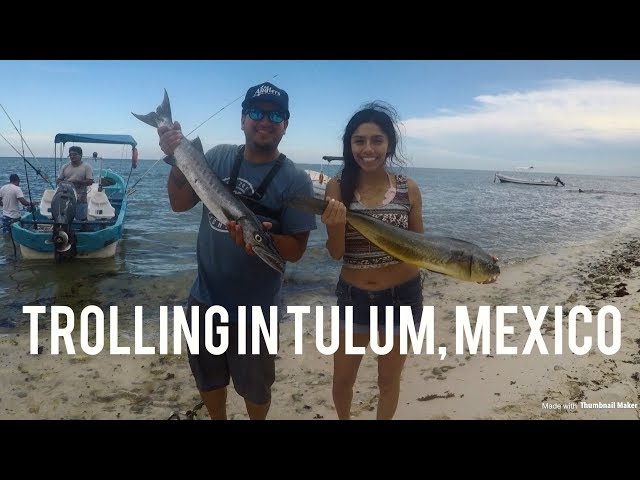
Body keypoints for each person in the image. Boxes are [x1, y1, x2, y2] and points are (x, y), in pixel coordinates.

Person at [320, 101, 496, 420]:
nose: (368, 148)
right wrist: (333, 226)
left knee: (388, 381)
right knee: (342, 380)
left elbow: (422, 249)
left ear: (389, 145)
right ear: (349, 145)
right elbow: (335, 253)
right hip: (353, 296)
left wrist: (474, 266)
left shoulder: (408, 189)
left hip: (402, 297)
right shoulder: (337, 187)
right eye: (359, 140)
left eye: (377, 140)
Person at [157, 81, 317, 420]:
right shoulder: (216, 157)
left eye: (276, 115)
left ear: (286, 124)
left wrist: (264, 240)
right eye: (257, 113)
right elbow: (178, 203)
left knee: (255, 386)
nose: (265, 121)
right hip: (204, 300)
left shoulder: (296, 180)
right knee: (209, 378)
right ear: (243, 119)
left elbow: (296, 250)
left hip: (257, 313)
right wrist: (175, 157)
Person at [56, 146, 94, 221]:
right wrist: (65, 183)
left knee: (82, 218)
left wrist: (78, 181)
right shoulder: (65, 166)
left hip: (81, 197)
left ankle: (85, 230)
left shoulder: (86, 167)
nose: (72, 156)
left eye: (75, 154)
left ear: (80, 155)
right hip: (66, 196)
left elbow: (90, 181)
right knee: (65, 216)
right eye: (70, 155)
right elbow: (58, 180)